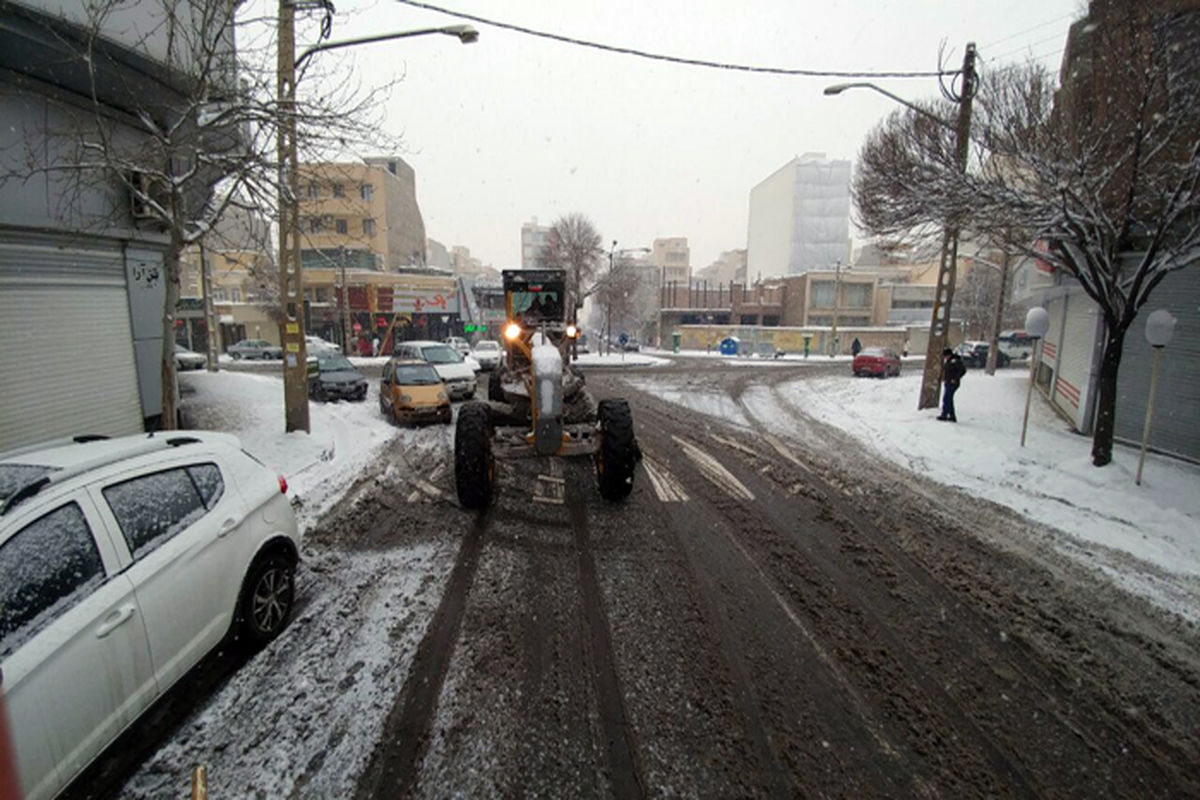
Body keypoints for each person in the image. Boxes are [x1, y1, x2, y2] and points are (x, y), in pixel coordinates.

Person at [939, 347, 966, 422]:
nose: (945, 357)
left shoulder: (955, 361)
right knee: (949, 399)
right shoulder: (948, 361)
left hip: (953, 383)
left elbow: (962, 371)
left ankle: (945, 414)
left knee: (946, 399)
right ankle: (951, 416)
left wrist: (955, 378)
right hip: (948, 382)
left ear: (949, 354)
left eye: (946, 355)